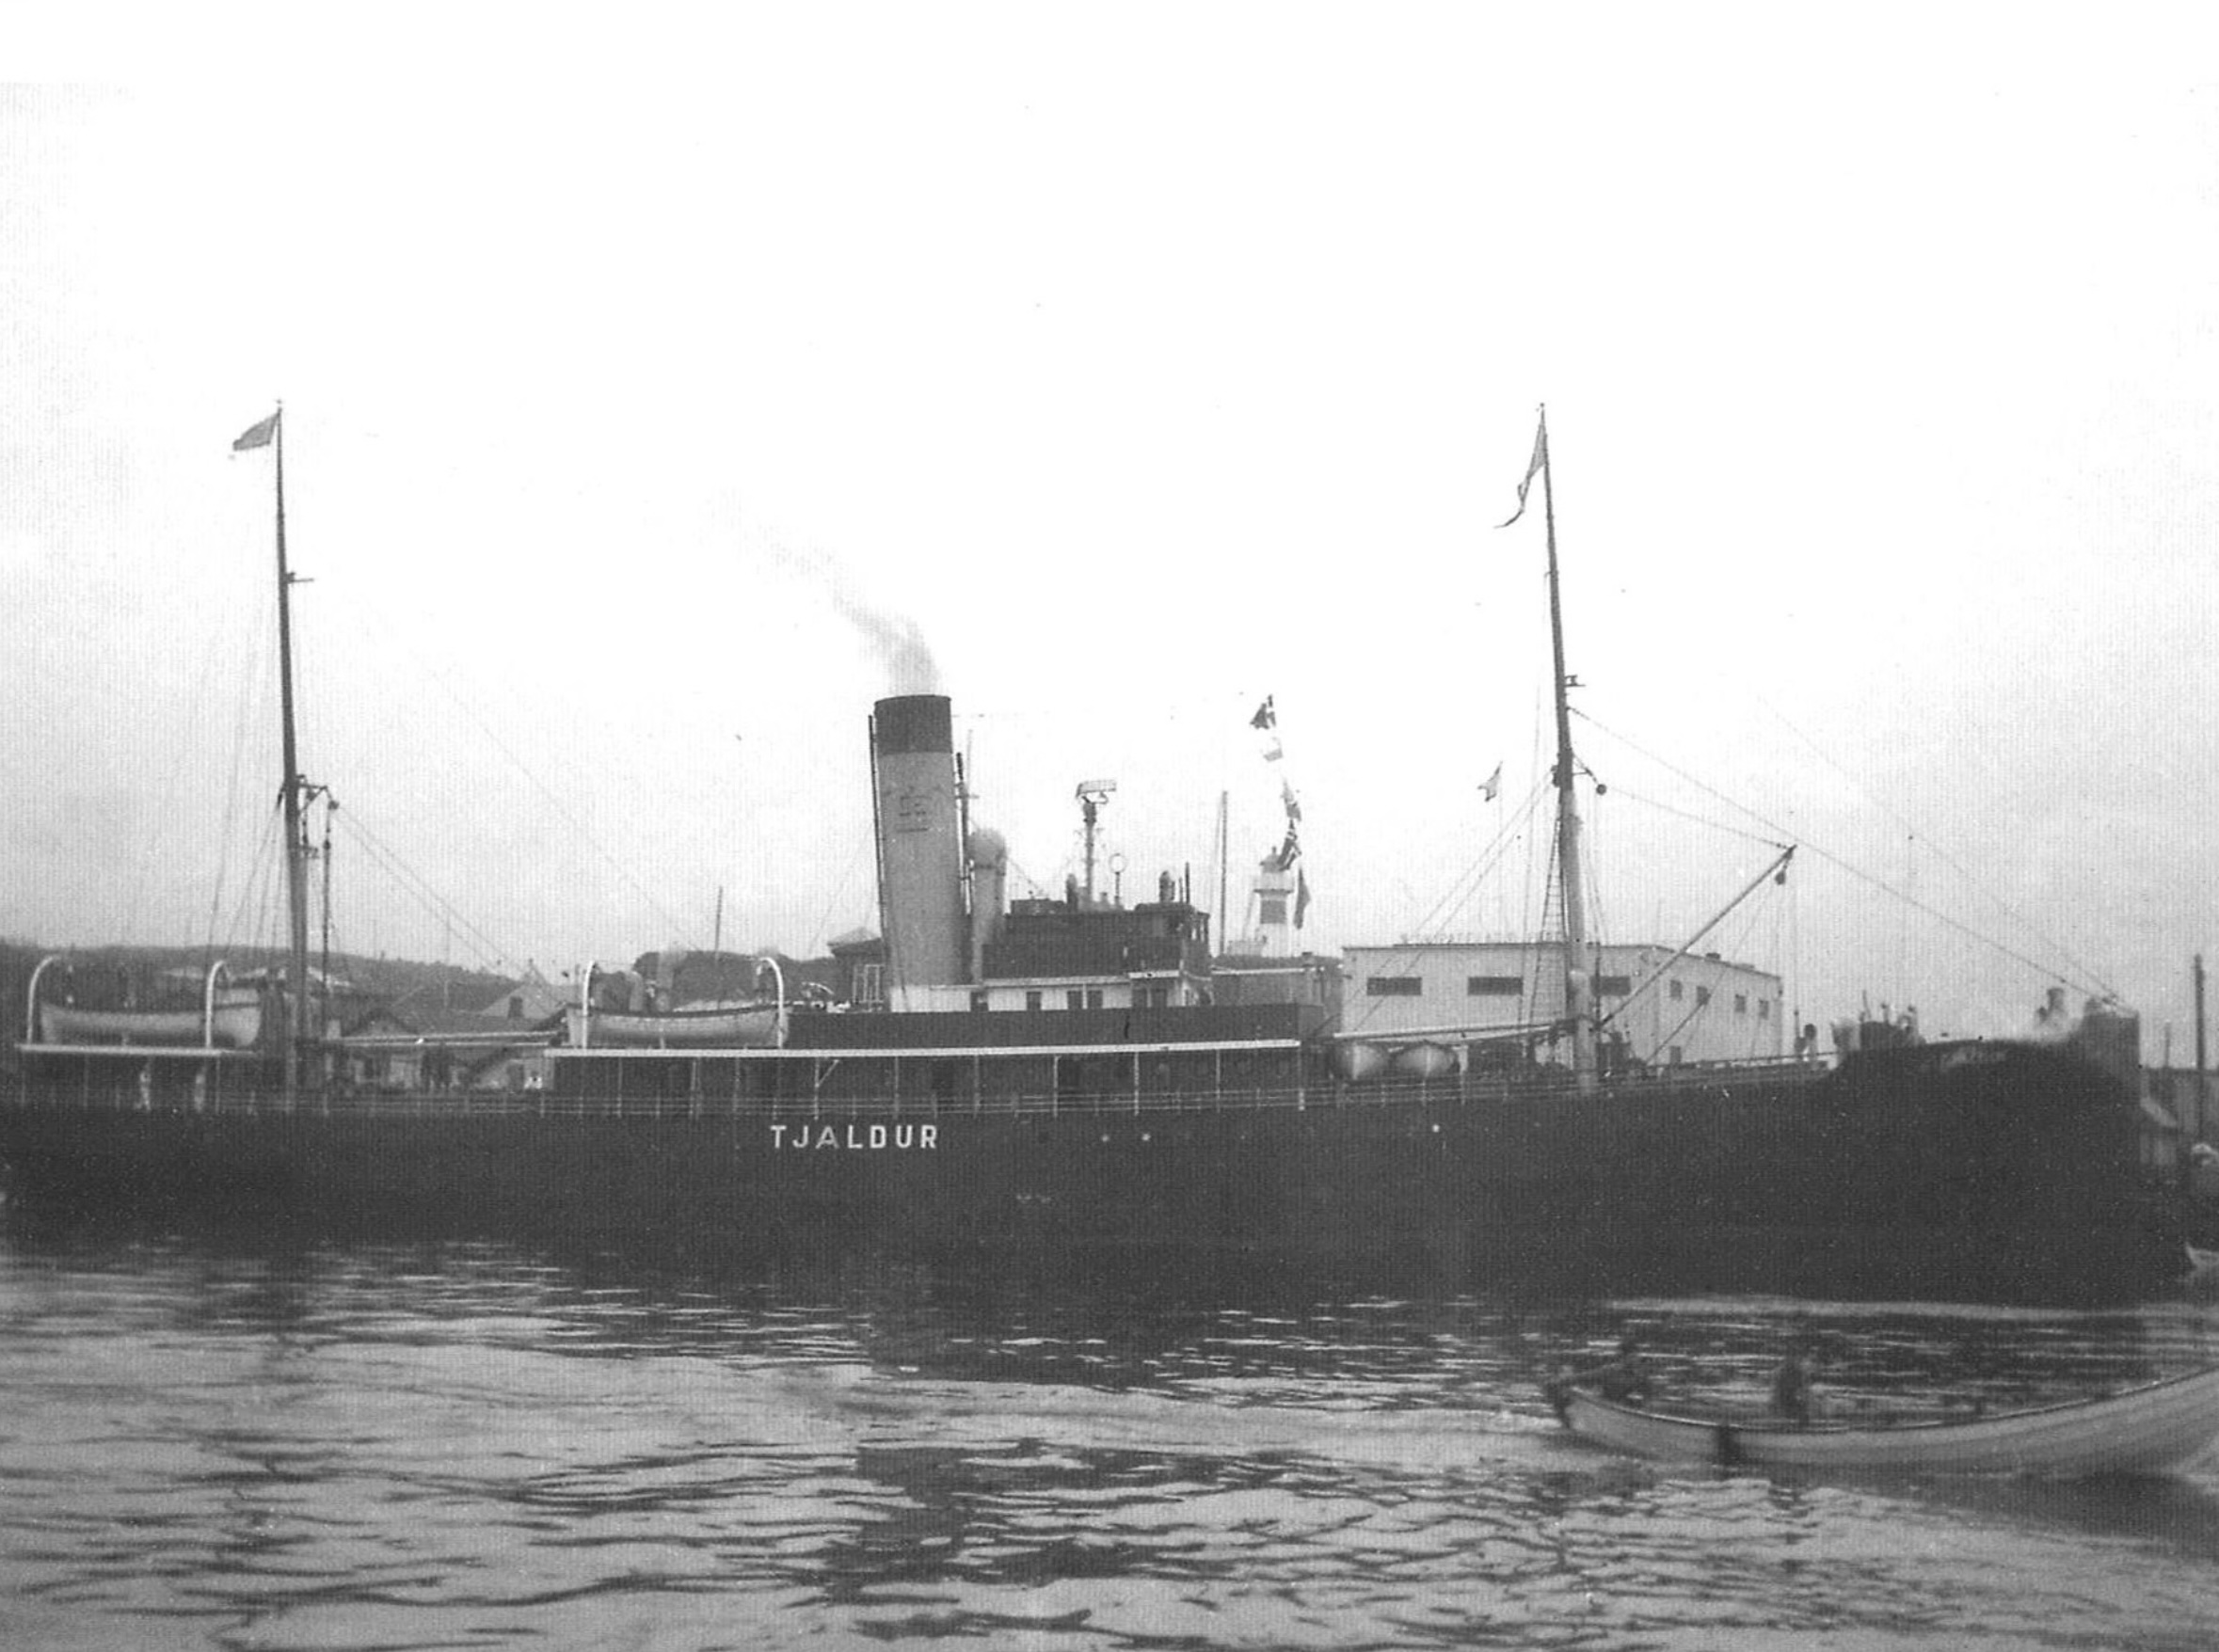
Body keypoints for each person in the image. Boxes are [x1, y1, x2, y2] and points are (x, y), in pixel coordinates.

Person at [1770, 1347, 1814, 1424]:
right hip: (1783, 1399)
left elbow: (1805, 1389)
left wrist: (1803, 1398)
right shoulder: (1780, 1372)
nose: (1796, 1361)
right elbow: (1776, 1391)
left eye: (1797, 1359)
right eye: (1793, 1358)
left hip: (1794, 1400)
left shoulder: (1801, 1372)